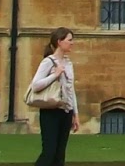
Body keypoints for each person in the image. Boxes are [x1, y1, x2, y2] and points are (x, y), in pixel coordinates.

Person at [30, 27, 79, 166]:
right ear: (59, 42)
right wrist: (55, 75)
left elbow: (71, 90)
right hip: (51, 111)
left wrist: (75, 114)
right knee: (49, 152)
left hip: (66, 111)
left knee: (60, 154)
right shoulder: (48, 62)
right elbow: (35, 85)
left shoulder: (68, 63)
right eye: (69, 40)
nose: (72, 43)